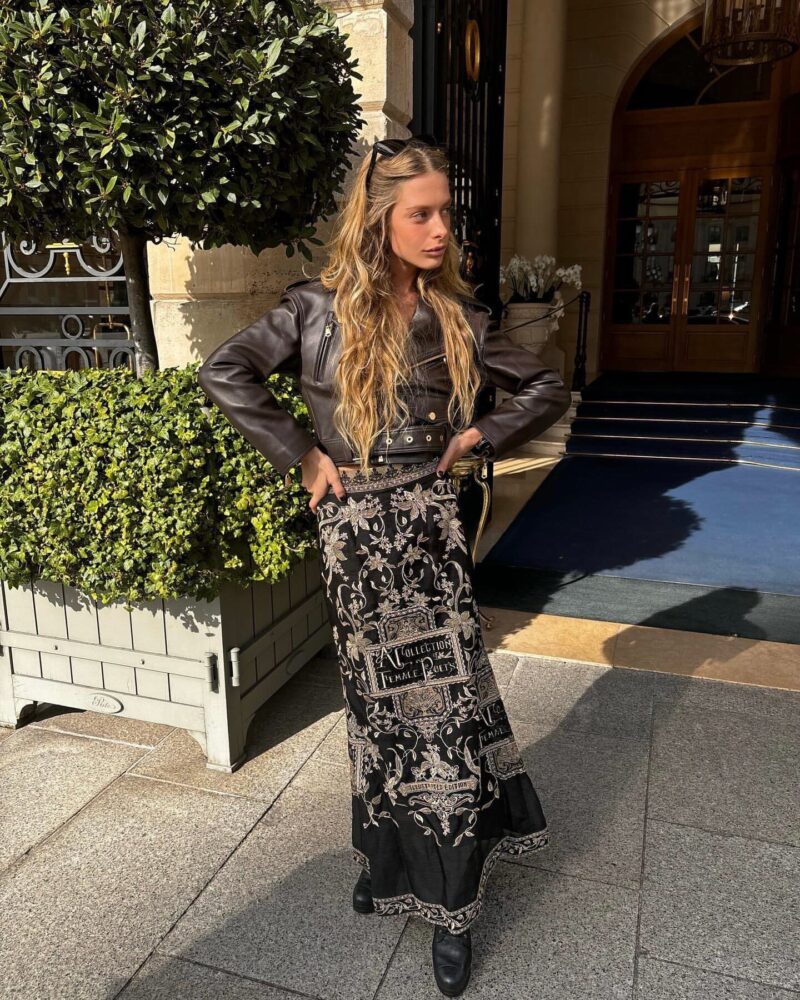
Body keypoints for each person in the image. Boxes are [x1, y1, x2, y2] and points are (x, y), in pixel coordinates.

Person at [197, 136, 572, 997]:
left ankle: (454, 906)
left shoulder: (460, 317)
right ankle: (388, 861)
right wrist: (301, 452)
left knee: (445, 715)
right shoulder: (314, 308)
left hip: (432, 532)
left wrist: (476, 436)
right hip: (355, 539)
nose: (441, 231)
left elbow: (544, 389)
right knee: (378, 713)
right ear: (378, 220)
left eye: (447, 214)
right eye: (422, 214)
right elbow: (227, 370)